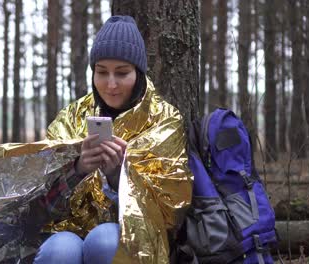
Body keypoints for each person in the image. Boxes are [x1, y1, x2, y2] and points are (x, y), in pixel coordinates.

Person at [34, 15, 192, 264]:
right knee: (60, 251)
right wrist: (78, 169)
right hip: (68, 231)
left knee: (104, 241)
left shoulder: (163, 119)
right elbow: (41, 205)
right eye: (101, 72)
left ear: (138, 73)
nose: (110, 85)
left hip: (133, 237)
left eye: (122, 73)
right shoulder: (71, 117)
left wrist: (119, 176)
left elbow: (171, 212)